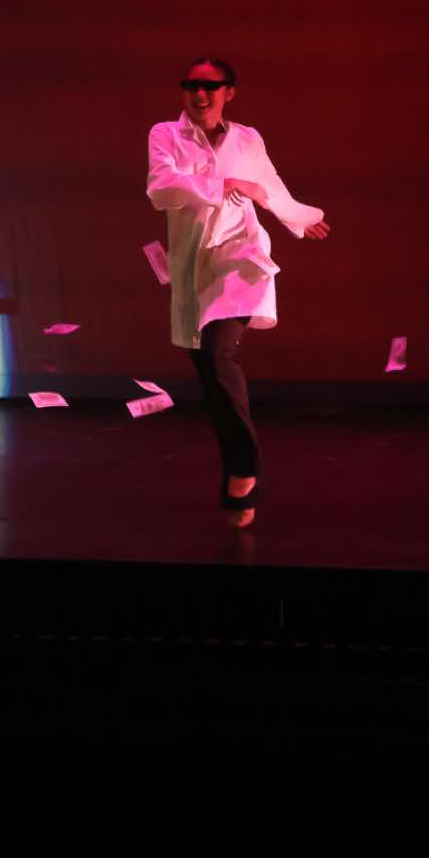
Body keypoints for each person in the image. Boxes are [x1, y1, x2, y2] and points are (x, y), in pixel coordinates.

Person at [146, 57, 330, 524]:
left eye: (210, 86)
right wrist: (225, 182)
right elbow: (161, 188)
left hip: (240, 257)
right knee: (209, 371)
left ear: (230, 91)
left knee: (218, 350)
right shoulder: (165, 134)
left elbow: (269, 186)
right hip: (193, 266)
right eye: (191, 85)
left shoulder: (247, 138)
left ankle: (245, 466)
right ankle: (236, 469)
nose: (199, 94)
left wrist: (298, 218)